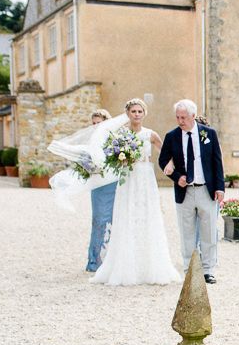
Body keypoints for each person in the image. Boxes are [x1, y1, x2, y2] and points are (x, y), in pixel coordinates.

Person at [90, 99, 181, 286]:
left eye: (140, 111)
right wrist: (120, 158)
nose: (137, 114)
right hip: (127, 177)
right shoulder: (120, 134)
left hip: (145, 176)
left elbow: (166, 154)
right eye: (133, 111)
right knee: (127, 213)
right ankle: (124, 264)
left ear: (144, 113)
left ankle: (149, 264)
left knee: (147, 214)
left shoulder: (151, 134)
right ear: (128, 113)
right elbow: (109, 156)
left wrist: (171, 166)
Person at [158, 100, 225, 284]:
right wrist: (176, 177)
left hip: (206, 190)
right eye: (178, 117)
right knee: (186, 232)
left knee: (209, 232)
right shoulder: (171, 136)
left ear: (193, 116)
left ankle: (208, 270)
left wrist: (220, 187)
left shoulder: (208, 133)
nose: (180, 121)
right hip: (184, 192)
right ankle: (189, 270)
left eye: (184, 117)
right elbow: (163, 160)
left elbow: (217, 162)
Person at [86, 109, 117, 272]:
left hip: (114, 183)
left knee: (113, 220)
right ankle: (94, 259)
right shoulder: (91, 142)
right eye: (94, 123)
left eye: (99, 122)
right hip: (98, 185)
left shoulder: (115, 141)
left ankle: (111, 258)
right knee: (98, 220)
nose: (96, 126)